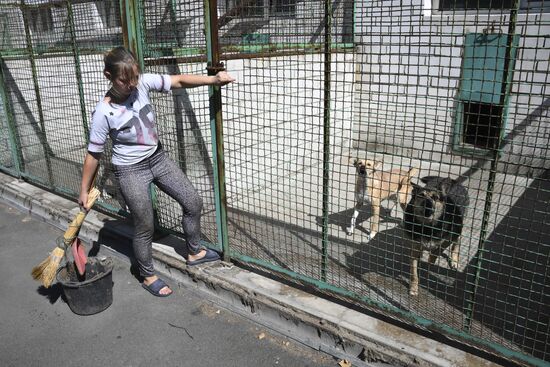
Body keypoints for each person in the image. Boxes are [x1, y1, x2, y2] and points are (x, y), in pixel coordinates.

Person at [79, 46, 235, 297]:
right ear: (108, 76)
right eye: (124, 80)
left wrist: (213, 79)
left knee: (193, 202)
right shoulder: (103, 113)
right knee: (145, 224)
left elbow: (179, 79)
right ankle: (147, 274)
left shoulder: (141, 83)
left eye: (134, 77)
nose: (131, 84)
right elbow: (93, 154)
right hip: (129, 170)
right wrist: (84, 190)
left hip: (157, 158)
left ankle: (194, 252)